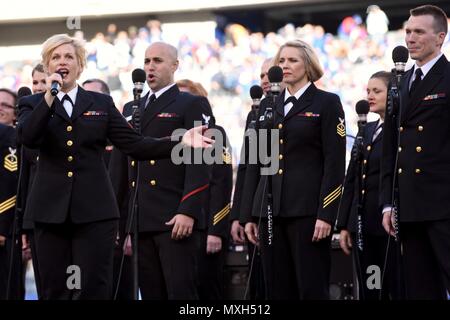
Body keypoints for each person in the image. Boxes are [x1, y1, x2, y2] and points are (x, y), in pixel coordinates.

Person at [16, 34, 212, 300]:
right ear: (47, 65)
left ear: (80, 64)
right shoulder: (32, 103)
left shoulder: (101, 103)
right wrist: (49, 99)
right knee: (55, 289)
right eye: (55, 57)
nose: (62, 62)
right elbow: (27, 137)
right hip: (49, 211)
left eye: (69, 56)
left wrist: (179, 141)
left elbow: (136, 145)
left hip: (95, 212)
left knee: (94, 288)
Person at [241, 39, 346, 299]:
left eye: (293, 60)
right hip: (269, 210)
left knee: (311, 286)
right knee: (277, 287)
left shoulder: (327, 103)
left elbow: (334, 163)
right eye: (282, 60)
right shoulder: (267, 106)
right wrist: (250, 214)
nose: (285, 65)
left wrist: (326, 214)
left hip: (308, 211)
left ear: (308, 65)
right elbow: (256, 162)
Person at [109, 42, 213, 300]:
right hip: (141, 218)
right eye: (146, 61)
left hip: (174, 215)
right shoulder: (131, 108)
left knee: (181, 293)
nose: (150, 67)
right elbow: (122, 167)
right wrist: (122, 222)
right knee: (152, 293)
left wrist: (188, 211)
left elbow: (201, 162)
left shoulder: (191, 103)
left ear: (175, 65)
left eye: (157, 61)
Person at [380, 5, 450, 299]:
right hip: (408, 204)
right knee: (420, 288)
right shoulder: (400, 82)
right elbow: (390, 149)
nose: (410, 38)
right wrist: (387, 203)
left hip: (444, 204)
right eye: (408, 31)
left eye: (419, 32)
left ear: (440, 38)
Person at [337, 71, 401, 300]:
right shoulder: (367, 130)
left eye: (377, 91)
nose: (370, 96)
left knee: (393, 284)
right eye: (368, 91)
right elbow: (352, 178)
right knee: (370, 284)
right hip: (365, 224)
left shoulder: (399, 129)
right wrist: (344, 224)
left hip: (389, 223)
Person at [177, 79, 233, 300]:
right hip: (177, 226)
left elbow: (221, 183)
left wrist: (216, 231)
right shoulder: (171, 137)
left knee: (207, 287)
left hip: (205, 226)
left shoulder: (214, 133)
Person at [230, 58, 273, 300]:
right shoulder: (254, 114)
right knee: (258, 284)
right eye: (261, 75)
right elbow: (247, 168)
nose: (265, 80)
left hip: (279, 209)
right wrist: (240, 215)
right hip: (254, 212)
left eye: (270, 74)